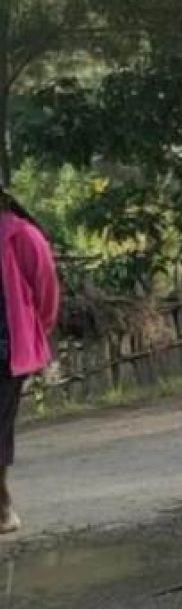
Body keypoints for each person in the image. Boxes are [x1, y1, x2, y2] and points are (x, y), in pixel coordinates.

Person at [0, 186, 60, 534]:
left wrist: (36, 329)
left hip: (6, 350)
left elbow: (46, 290)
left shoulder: (21, 235)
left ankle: (3, 504)